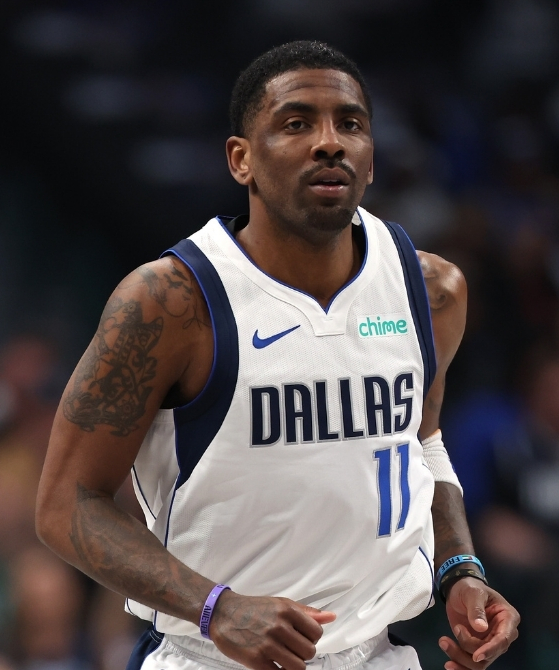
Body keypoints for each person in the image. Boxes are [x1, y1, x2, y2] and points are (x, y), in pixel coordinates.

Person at [35, 41, 519, 670]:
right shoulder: (171, 303)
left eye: (350, 124)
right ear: (241, 159)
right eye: (297, 124)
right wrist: (217, 606)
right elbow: (64, 503)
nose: (329, 143)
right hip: (213, 655)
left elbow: (420, 443)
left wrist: (460, 568)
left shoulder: (432, 292)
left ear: (371, 160)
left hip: (377, 655)